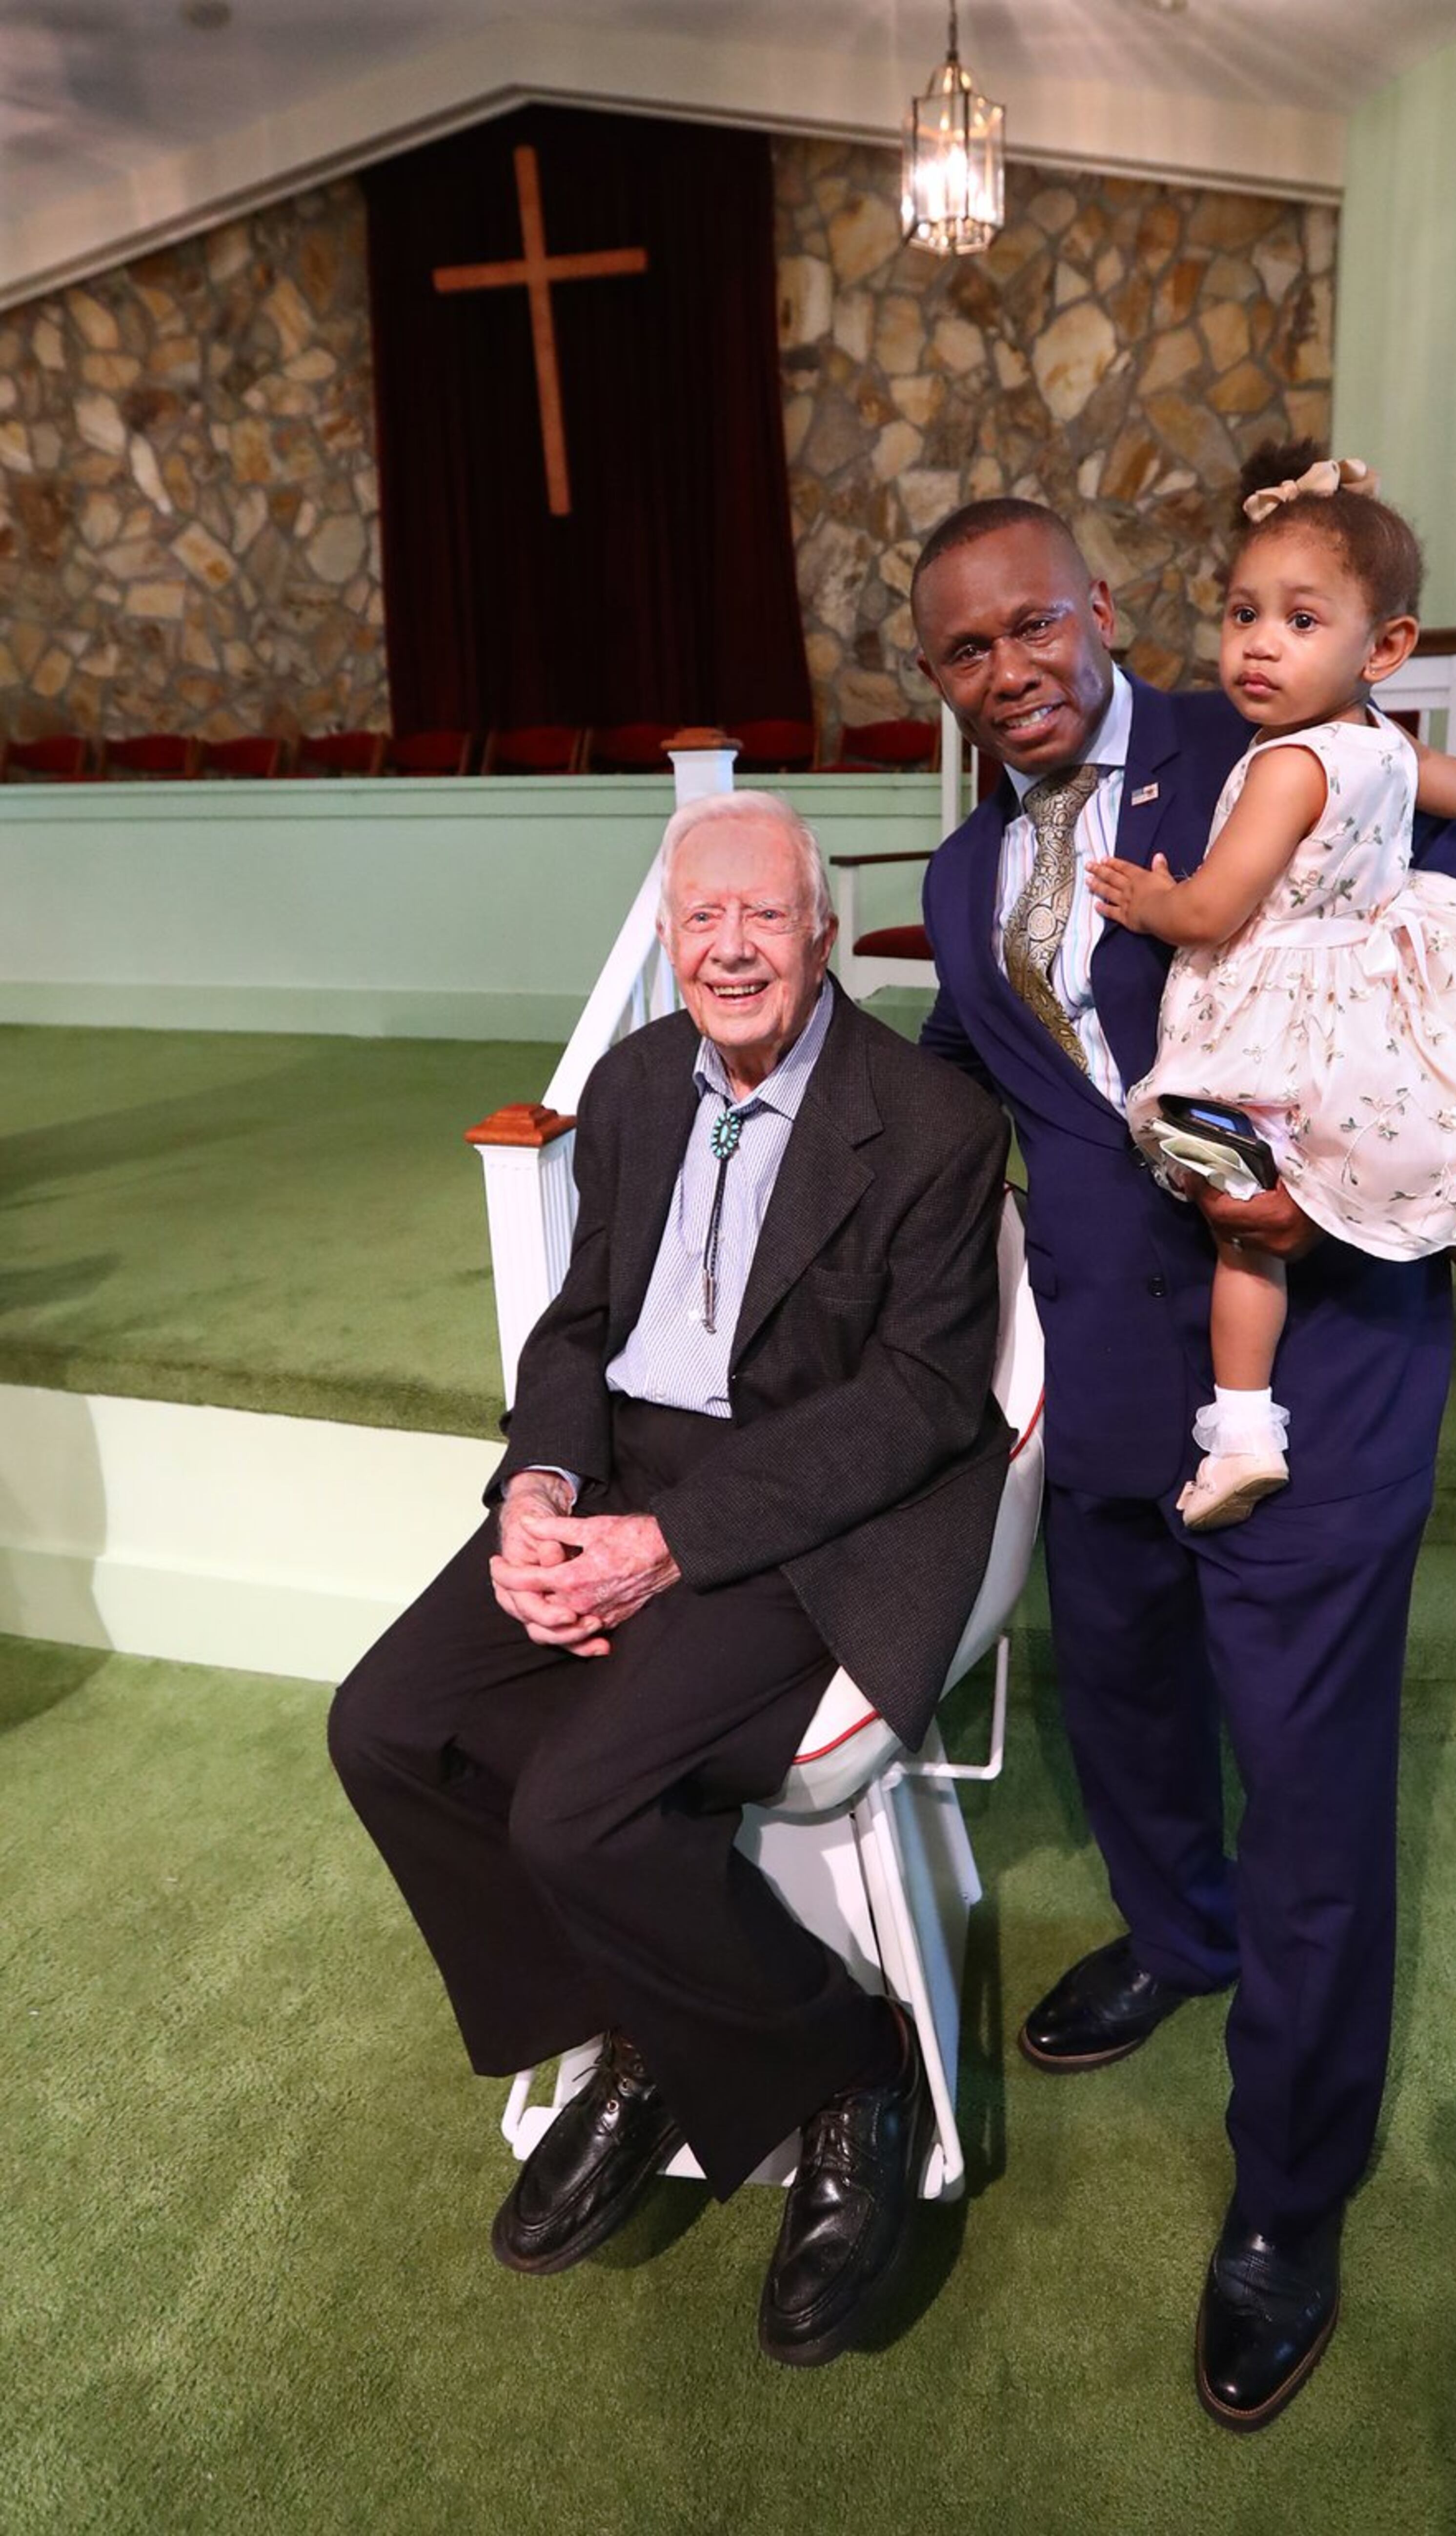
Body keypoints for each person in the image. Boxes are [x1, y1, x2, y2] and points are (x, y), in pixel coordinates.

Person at [910, 490, 1456, 2431]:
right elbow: (975, 1075)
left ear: (1101, 613)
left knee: (1305, 1776)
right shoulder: (961, 881)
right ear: (939, 675)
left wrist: (1368, 1152)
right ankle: (1173, 1937)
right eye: (967, 649)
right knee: (1118, 1695)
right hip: (1113, 1370)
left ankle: (1292, 2192)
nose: (1012, 668)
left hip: (1322, 1353)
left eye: (1036, 624)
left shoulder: (1281, 735)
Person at [328, 791, 1011, 2368]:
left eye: (762, 914)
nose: (729, 947)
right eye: (701, 917)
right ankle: (646, 2024)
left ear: (821, 929)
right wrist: (541, 1490)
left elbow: (915, 1402)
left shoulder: (931, 1123)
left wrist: (668, 1547)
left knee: (575, 1804)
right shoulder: (637, 1085)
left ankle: (850, 2070)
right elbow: (577, 1326)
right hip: (620, 1475)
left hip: (799, 1519)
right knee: (385, 1724)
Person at [1092, 448, 1456, 1530]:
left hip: (1287, 1011)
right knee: (1430, 1166)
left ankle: (1242, 1429)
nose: (1260, 644)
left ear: (1388, 645)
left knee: (1235, 1213)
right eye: (1242, 614)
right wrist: (1398, 761)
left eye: (1303, 622)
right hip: (1379, 996)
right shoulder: (1381, 745)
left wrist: (1150, 902)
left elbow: (1219, 911)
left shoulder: (1286, 763)